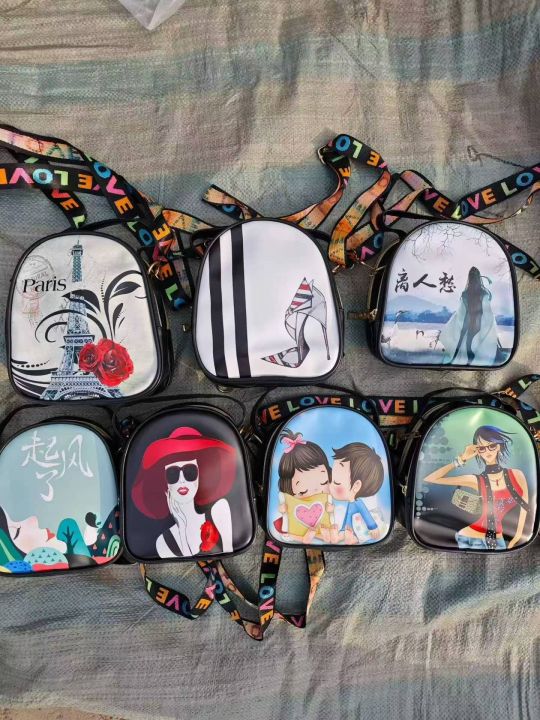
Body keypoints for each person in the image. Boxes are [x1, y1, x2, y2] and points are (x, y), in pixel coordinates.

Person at [131, 427, 236, 558]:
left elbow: (228, 552)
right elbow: (187, 559)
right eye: (173, 473)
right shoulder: (163, 542)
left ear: (200, 474)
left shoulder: (220, 509)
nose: (182, 480)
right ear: (165, 483)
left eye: (190, 471)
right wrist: (181, 527)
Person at [423, 425, 529, 549]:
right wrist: (461, 459)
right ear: (478, 451)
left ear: (499, 446)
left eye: (492, 446)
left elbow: (525, 508)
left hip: (498, 539)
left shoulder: (517, 475)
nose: (487, 451)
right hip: (470, 538)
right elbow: (430, 478)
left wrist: (517, 537)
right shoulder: (476, 480)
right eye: (482, 448)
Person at [274, 429, 334, 544]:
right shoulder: (287, 497)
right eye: (303, 491)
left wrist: (330, 509)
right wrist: (283, 509)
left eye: (323, 483)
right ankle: (302, 539)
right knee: (286, 531)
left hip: (321, 524)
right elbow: (283, 509)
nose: (315, 491)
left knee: (325, 528)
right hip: (294, 523)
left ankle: (323, 536)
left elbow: (330, 511)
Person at [440, 266, 499, 366]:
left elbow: (462, 312)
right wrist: (489, 326)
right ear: (478, 278)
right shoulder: (483, 293)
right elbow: (487, 313)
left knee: (466, 344)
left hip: (468, 323)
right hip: (477, 323)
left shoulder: (466, 293)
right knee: (469, 344)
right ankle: (469, 362)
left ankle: (465, 361)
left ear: (469, 278)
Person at [328, 443, 384, 544]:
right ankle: (341, 535)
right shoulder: (351, 503)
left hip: (358, 529)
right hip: (349, 528)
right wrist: (342, 529)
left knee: (356, 528)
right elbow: (347, 518)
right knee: (346, 527)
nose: (331, 487)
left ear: (356, 486)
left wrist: (373, 527)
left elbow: (366, 514)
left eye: (336, 483)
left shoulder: (358, 503)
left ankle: (353, 538)